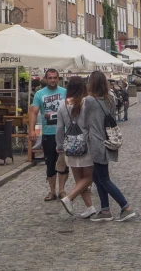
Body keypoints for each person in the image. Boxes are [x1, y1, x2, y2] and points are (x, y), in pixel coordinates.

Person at [83, 71, 136, 222]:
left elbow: (84, 121)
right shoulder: (111, 99)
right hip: (107, 140)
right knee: (97, 177)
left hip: (96, 142)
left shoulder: (89, 101)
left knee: (104, 178)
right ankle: (105, 209)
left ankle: (125, 206)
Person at [56, 76, 96, 218]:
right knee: (91, 176)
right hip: (86, 143)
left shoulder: (62, 104)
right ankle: (69, 198)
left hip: (70, 144)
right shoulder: (87, 102)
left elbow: (60, 128)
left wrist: (59, 144)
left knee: (79, 178)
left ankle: (90, 207)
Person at [29, 69, 69, 201]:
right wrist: (32, 129)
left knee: (63, 163)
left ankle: (62, 190)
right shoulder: (39, 94)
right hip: (48, 133)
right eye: (50, 78)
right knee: (50, 163)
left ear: (58, 79)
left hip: (63, 134)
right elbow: (34, 112)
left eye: (55, 78)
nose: (52, 80)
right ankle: (52, 191)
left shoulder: (64, 92)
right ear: (45, 79)